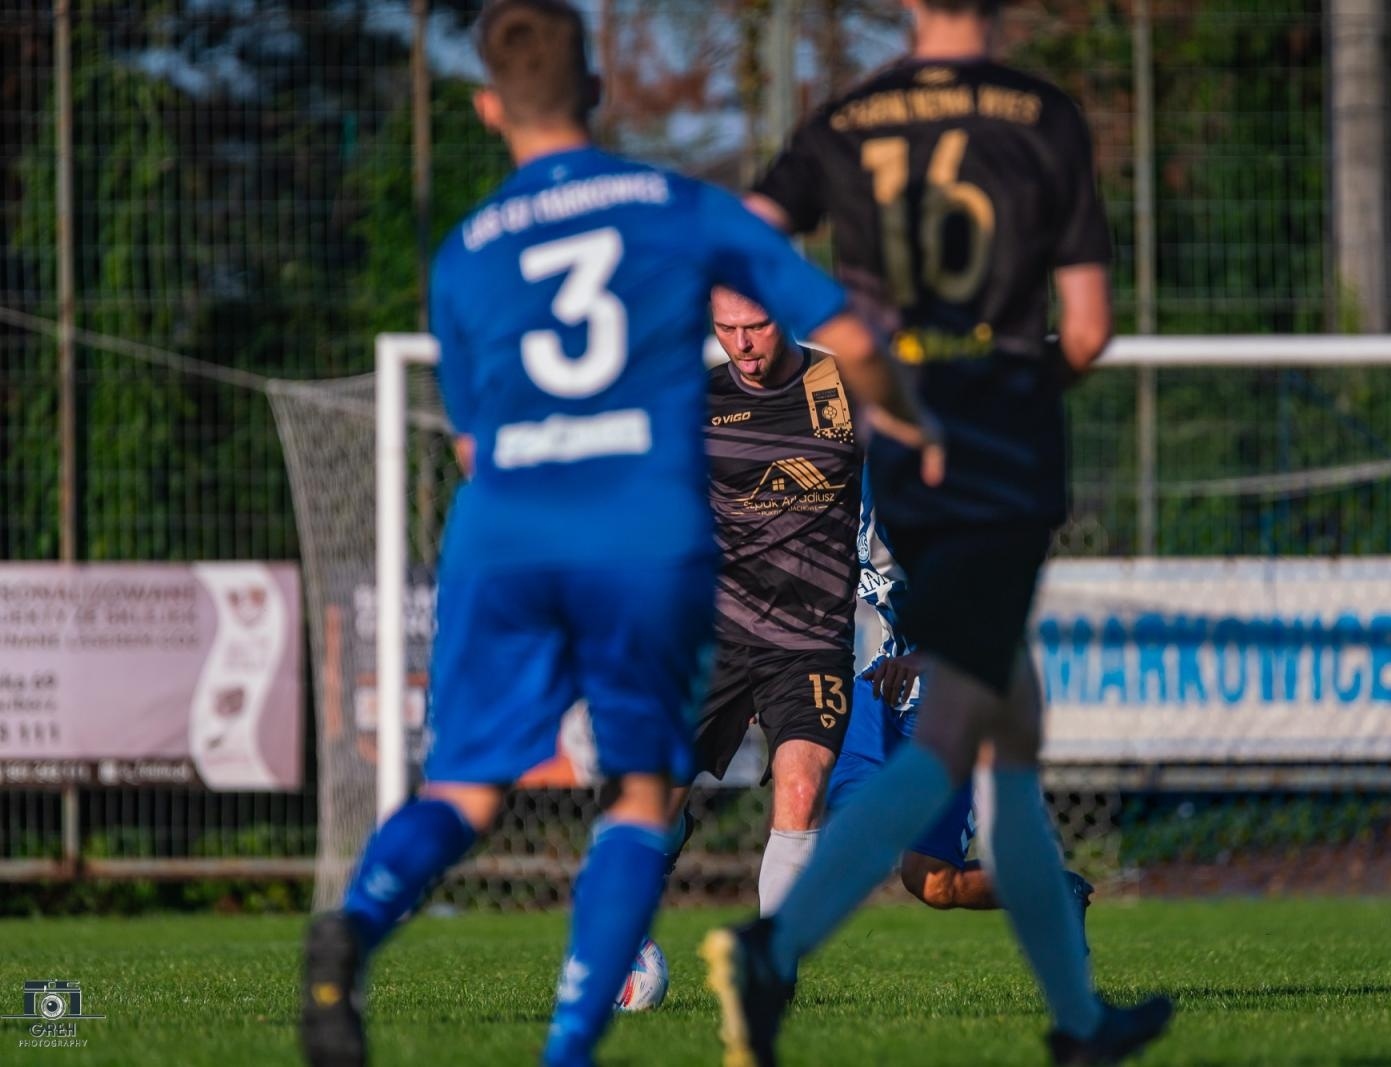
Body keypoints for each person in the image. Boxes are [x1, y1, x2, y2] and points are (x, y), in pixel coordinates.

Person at [297, 3, 931, 1066]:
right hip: (636, 536)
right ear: (595, 90)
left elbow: (466, 444)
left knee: (461, 785)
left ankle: (355, 921)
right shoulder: (678, 208)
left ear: (487, 107)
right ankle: (567, 1048)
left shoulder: (464, 253)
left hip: (501, 530)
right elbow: (856, 335)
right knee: (643, 790)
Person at [702, 2, 1173, 1065]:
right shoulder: (1043, 118)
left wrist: (869, 357)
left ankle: (1081, 1020)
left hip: (902, 444)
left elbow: (742, 235)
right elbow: (1089, 329)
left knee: (1003, 724)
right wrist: (1015, 380)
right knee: (984, 723)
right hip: (998, 452)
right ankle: (776, 949)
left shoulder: (850, 119)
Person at [667, 287, 863, 916]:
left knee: (802, 789)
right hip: (713, 634)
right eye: (727, 329)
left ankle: (769, 969)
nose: (743, 346)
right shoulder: (693, 403)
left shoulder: (847, 388)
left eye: (757, 327)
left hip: (811, 638)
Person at [833, 473, 1096, 917]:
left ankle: (1050, 893)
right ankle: (768, 976)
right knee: (804, 803)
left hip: (959, 700)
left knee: (932, 883)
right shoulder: (851, 475)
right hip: (883, 692)